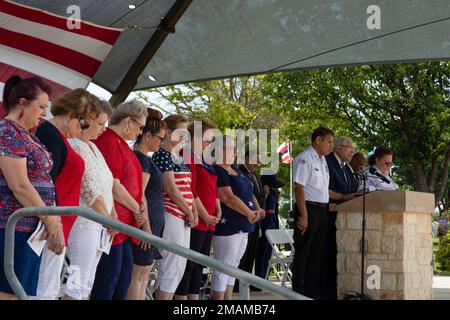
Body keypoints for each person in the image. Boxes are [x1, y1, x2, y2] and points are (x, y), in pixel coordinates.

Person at [35, 88, 100, 299]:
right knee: (43, 288)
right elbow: (46, 184)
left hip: (58, 224)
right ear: (71, 115)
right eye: (83, 124)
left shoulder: (58, 137)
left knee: (49, 285)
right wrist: (55, 225)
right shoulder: (49, 135)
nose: (83, 130)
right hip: (50, 225)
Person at [0, 76, 61, 300]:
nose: (45, 113)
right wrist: (51, 220)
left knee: (18, 292)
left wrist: (52, 220)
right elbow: (20, 186)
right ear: (23, 103)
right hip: (11, 227)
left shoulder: (26, 135)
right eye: (42, 107)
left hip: (29, 227)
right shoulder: (7, 131)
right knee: (9, 293)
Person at [90, 100, 148, 300]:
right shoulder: (108, 140)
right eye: (140, 127)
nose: (140, 132)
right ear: (127, 121)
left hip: (123, 225)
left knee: (122, 279)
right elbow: (112, 185)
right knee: (108, 280)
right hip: (112, 223)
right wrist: (136, 208)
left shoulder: (121, 144)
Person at [64, 99, 118, 300]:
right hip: (84, 224)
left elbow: (107, 184)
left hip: (100, 224)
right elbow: (88, 190)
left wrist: (112, 215)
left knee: (87, 283)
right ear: (87, 120)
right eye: (100, 124)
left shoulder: (95, 148)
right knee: (77, 283)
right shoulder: (75, 145)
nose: (103, 129)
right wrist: (108, 218)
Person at [152, 114, 198, 300]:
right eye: (180, 132)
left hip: (184, 216)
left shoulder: (178, 156)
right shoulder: (161, 154)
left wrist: (193, 211)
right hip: (172, 213)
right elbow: (170, 188)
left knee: (180, 265)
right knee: (170, 265)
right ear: (168, 132)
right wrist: (188, 211)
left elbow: (187, 188)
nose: (184, 137)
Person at [174, 119, 221, 300]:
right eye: (208, 139)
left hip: (208, 220)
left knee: (199, 265)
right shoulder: (187, 155)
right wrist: (204, 215)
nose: (209, 144)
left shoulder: (203, 159)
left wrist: (216, 210)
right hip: (196, 219)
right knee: (188, 264)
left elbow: (212, 188)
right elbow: (192, 191)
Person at [211, 136, 262, 300]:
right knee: (223, 267)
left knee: (233, 266)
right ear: (220, 150)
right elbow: (227, 197)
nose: (235, 151)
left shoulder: (235, 169)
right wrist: (249, 212)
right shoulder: (218, 170)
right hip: (229, 226)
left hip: (245, 225)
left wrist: (257, 209)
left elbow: (249, 191)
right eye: (232, 148)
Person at [126, 108, 167, 300]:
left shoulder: (146, 158)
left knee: (144, 272)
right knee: (139, 273)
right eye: (159, 138)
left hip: (153, 223)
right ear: (147, 135)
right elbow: (139, 194)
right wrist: (146, 227)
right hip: (146, 225)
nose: (161, 142)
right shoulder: (141, 159)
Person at [291, 126, 334, 299]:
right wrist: (304, 215)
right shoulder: (305, 158)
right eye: (329, 142)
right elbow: (299, 187)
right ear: (318, 140)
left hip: (322, 209)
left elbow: (323, 189)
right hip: (308, 209)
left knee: (317, 253)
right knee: (304, 252)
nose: (331, 146)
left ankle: (311, 290)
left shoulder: (323, 161)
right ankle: (298, 291)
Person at [321, 136, 361, 300]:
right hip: (329, 215)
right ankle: (325, 292)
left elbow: (350, 188)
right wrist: (345, 197)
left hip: (344, 217)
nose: (352, 151)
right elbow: (324, 189)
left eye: (353, 148)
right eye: (348, 147)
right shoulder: (328, 162)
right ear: (338, 147)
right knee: (327, 256)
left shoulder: (345, 167)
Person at [235, 151, 264, 291]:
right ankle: (237, 284)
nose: (257, 164)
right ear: (247, 158)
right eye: (255, 160)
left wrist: (260, 209)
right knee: (243, 253)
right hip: (244, 215)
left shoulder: (254, 175)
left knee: (251, 251)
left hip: (255, 216)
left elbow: (256, 195)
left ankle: (246, 280)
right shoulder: (240, 172)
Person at [255, 171, 285, 280]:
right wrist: (265, 195)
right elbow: (259, 205)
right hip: (264, 223)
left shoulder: (274, 194)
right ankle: (260, 278)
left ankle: (265, 278)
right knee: (261, 253)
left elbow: (275, 212)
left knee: (268, 253)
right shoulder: (262, 193)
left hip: (272, 223)